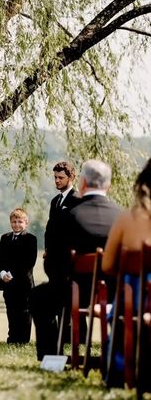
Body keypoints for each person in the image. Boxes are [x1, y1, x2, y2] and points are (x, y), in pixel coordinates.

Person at [31, 159, 122, 360]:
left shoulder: (69, 216)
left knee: (39, 297)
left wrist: (61, 279)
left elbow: (53, 262)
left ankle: (53, 360)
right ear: (108, 184)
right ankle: (118, 360)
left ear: (80, 182)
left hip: (75, 292)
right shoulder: (122, 217)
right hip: (117, 293)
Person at [102, 157, 151, 387]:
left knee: (126, 295)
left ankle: (120, 369)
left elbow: (107, 266)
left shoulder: (127, 219)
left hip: (135, 303)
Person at [0, 207, 37, 344]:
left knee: (24, 312)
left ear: (26, 223)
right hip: (7, 283)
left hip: (23, 283)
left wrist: (12, 274)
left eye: (20, 221)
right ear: (10, 222)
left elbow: (29, 261)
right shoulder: (5, 238)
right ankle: (12, 338)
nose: (16, 224)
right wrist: (2, 273)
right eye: (14, 222)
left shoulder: (31, 239)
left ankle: (23, 340)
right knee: (11, 311)